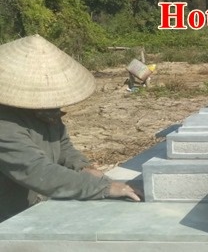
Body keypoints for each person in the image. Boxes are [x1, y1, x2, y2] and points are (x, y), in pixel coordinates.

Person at [0, 34, 141, 223]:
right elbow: (38, 172)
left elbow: (62, 146)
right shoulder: (5, 124)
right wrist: (103, 188)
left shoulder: (45, 112)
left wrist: (83, 167)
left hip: (30, 209)